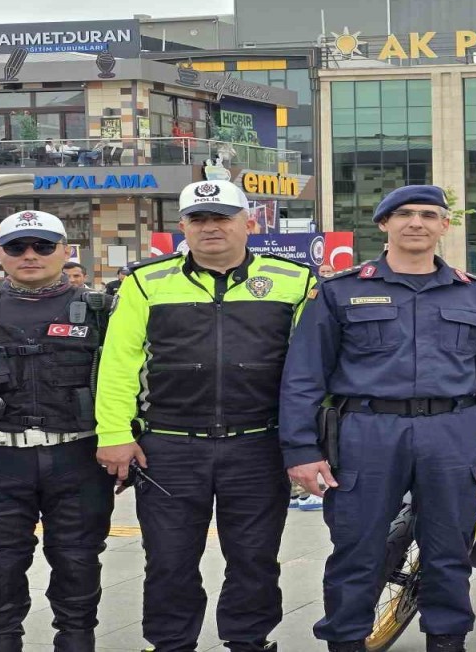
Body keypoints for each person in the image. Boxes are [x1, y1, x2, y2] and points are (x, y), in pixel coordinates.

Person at [280, 184, 476, 652]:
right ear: (384, 224)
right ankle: (347, 641)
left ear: (444, 226)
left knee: (449, 551)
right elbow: (303, 377)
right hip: (366, 433)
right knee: (357, 549)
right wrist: (301, 450)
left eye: (429, 215)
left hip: (453, 432)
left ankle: (446, 641)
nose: (417, 223)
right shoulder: (340, 291)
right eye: (404, 214)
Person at [94, 180, 315, 652]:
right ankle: (171, 643)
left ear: (248, 223)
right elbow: (118, 363)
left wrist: (305, 444)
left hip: (259, 445)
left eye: (222, 217)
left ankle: (249, 641)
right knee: (170, 560)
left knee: (254, 559)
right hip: (169, 447)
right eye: (198, 219)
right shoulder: (145, 281)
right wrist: (113, 432)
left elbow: (310, 372)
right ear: (182, 227)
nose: (210, 227)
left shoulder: (296, 280)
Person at [0, 211, 114, 651]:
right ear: (0, 254)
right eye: (17, 247)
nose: (29, 255)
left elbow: (128, 382)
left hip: (78, 459)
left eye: (42, 246)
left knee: (78, 568)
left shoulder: (101, 311)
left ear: (65, 250)